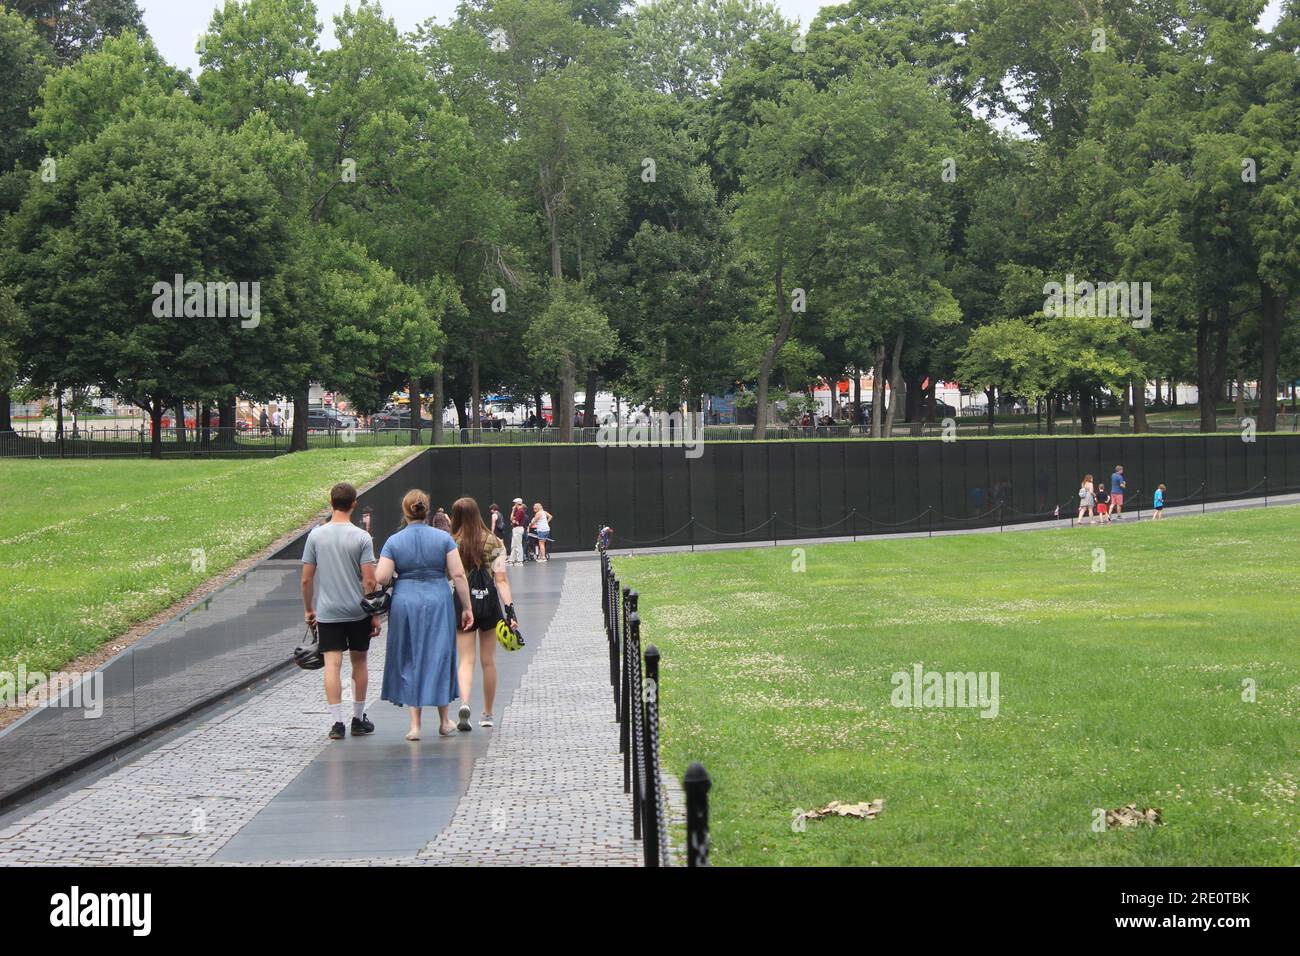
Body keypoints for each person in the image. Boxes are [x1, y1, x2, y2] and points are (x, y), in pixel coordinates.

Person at [377, 490, 473, 740]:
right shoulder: (443, 538)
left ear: (405, 510)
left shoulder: (394, 541)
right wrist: (467, 607)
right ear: (426, 509)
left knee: (410, 655)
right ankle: (444, 720)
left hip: (405, 602)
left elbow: (382, 577)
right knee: (440, 655)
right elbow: (459, 575)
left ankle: (415, 726)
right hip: (438, 599)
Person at [301, 482, 381, 740]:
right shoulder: (361, 537)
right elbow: (369, 581)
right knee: (360, 662)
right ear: (354, 503)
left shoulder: (316, 535)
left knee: (332, 665)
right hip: (357, 610)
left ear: (331, 502)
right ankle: (358, 718)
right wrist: (374, 613)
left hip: (328, 610)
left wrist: (309, 609)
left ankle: (337, 723)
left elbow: (306, 579)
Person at [450, 497, 519, 730]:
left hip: (462, 603)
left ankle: (465, 703)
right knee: (488, 661)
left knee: (465, 660)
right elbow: (501, 579)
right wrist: (510, 611)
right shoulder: (495, 541)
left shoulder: (452, 542)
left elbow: (450, 576)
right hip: (489, 603)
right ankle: (487, 714)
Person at [509, 497, 527, 566]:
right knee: (514, 545)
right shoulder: (519, 511)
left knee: (518, 545)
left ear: (516, 503)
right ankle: (512, 560)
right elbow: (512, 519)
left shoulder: (520, 511)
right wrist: (513, 511)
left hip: (518, 528)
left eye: (514, 503)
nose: (514, 504)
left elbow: (515, 521)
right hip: (516, 528)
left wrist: (513, 521)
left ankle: (520, 561)